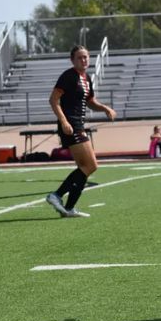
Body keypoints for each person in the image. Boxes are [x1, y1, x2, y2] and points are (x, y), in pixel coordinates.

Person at [45, 45, 117, 218]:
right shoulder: (69, 76)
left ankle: (68, 208)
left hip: (79, 124)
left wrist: (105, 108)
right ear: (72, 60)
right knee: (91, 165)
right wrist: (63, 121)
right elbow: (53, 100)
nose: (84, 60)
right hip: (71, 125)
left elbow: (90, 101)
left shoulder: (86, 78)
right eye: (80, 57)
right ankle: (56, 195)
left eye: (86, 57)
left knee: (84, 167)